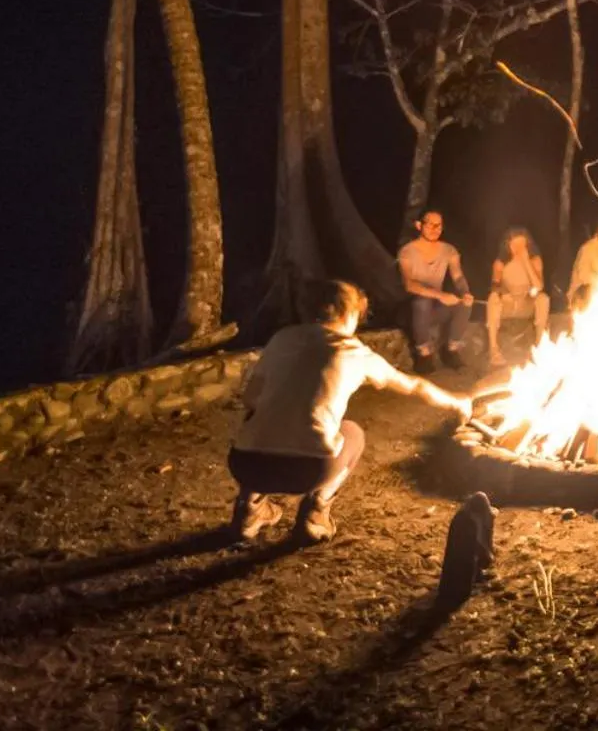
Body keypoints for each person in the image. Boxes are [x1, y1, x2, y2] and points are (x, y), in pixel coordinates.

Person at [229, 279, 471, 542]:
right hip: (308, 470)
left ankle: (250, 509)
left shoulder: (282, 338)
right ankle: (316, 515)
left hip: (246, 464)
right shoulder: (354, 352)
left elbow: (251, 398)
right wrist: (455, 401)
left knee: (257, 418)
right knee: (352, 433)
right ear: (349, 313)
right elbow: (414, 386)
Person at [397, 208, 474, 373]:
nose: (435, 229)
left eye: (438, 225)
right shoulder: (407, 251)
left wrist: (465, 292)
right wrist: (441, 295)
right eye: (430, 224)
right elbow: (409, 284)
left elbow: (458, 276)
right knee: (422, 302)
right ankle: (424, 354)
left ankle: (451, 351)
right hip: (412, 311)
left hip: (435, 308)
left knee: (464, 304)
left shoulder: (448, 250)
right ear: (419, 225)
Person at [484, 227, 549, 367]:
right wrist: (504, 292)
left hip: (526, 304)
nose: (518, 249)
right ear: (508, 245)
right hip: (508, 304)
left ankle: (539, 345)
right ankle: (494, 350)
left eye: (522, 245)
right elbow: (494, 287)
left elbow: (539, 286)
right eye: (515, 245)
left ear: (527, 246)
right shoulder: (500, 264)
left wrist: (526, 262)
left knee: (543, 299)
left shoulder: (535, 261)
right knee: (493, 298)